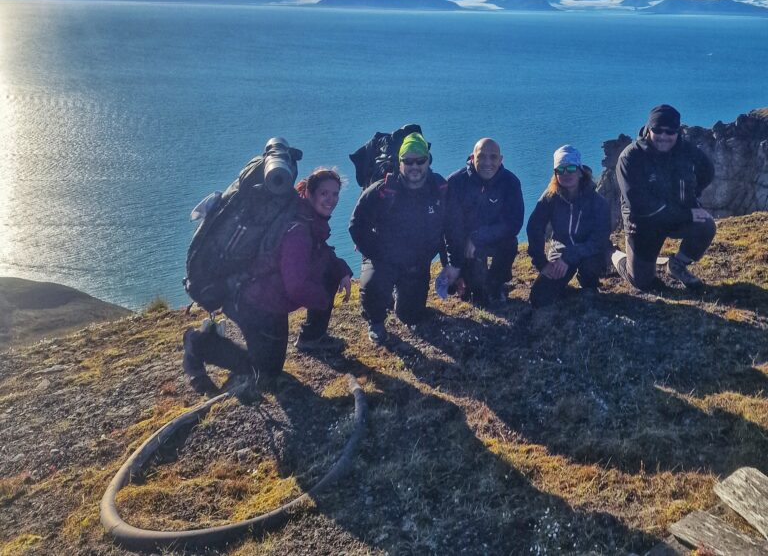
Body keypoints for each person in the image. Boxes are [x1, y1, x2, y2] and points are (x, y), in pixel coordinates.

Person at [183, 167, 352, 396]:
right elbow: (296, 286)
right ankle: (197, 342)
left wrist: (341, 270)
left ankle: (310, 339)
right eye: (324, 193)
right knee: (265, 371)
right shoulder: (299, 229)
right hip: (254, 303)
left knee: (272, 365)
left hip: (269, 302)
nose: (331, 200)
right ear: (309, 194)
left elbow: (320, 253)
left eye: (334, 194)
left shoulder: (306, 218)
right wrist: (322, 298)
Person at [349, 131, 462, 346]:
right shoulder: (383, 189)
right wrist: (375, 254)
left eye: (420, 160)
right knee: (374, 284)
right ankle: (376, 321)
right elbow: (356, 224)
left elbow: (453, 227)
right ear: (400, 163)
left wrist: (453, 264)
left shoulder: (440, 188)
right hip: (383, 258)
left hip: (417, 262)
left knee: (410, 315)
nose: (414, 166)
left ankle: (400, 298)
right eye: (408, 161)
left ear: (428, 161)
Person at [612, 104, 716, 291]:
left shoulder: (686, 151)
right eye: (657, 130)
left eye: (670, 131)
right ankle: (611, 252)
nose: (663, 136)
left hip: (676, 215)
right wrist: (686, 214)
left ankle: (676, 265)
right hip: (643, 222)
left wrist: (692, 196)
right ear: (648, 129)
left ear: (678, 131)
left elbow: (707, 171)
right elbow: (640, 205)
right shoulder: (630, 158)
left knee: (706, 225)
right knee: (642, 282)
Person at [526, 145, 610, 307]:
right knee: (540, 298)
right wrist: (542, 263)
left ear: (580, 171)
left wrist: (570, 256)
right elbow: (534, 227)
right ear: (555, 174)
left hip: (589, 252)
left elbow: (599, 239)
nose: (566, 174)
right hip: (560, 252)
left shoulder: (597, 201)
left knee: (591, 269)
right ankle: (567, 289)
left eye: (571, 168)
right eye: (560, 170)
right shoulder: (550, 197)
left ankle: (588, 282)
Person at [446, 137, 524, 306]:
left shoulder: (510, 182)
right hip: (463, 245)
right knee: (473, 296)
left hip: (491, 239)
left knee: (510, 242)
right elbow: (448, 227)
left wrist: (479, 236)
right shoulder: (455, 182)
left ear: (501, 160)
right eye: (481, 156)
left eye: (493, 157)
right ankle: (471, 283)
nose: (487, 162)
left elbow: (514, 223)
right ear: (472, 157)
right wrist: (454, 265)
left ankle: (496, 283)